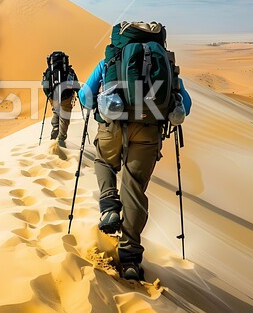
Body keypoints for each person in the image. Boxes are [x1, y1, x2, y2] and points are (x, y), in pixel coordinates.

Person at [78, 22, 192, 281]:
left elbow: (85, 96)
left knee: (104, 161)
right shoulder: (168, 66)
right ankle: (130, 258)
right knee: (134, 187)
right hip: (149, 131)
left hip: (112, 125)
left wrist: (100, 104)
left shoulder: (110, 61)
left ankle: (108, 205)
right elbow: (185, 105)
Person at [41, 51, 79, 148]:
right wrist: (78, 93)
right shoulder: (69, 71)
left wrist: (49, 96)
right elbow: (75, 84)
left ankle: (55, 127)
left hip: (53, 97)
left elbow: (45, 86)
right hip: (66, 96)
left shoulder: (49, 71)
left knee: (56, 111)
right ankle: (61, 139)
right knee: (64, 117)